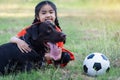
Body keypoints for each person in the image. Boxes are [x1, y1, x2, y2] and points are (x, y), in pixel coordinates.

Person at [10, 0, 74, 67]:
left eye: (51, 12)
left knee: (66, 56)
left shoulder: (58, 31)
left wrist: (54, 55)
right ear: (38, 16)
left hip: (51, 55)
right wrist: (19, 41)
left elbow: (59, 48)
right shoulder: (33, 29)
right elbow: (13, 38)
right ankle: (38, 63)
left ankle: (47, 63)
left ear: (55, 15)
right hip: (34, 54)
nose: (48, 15)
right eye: (44, 13)